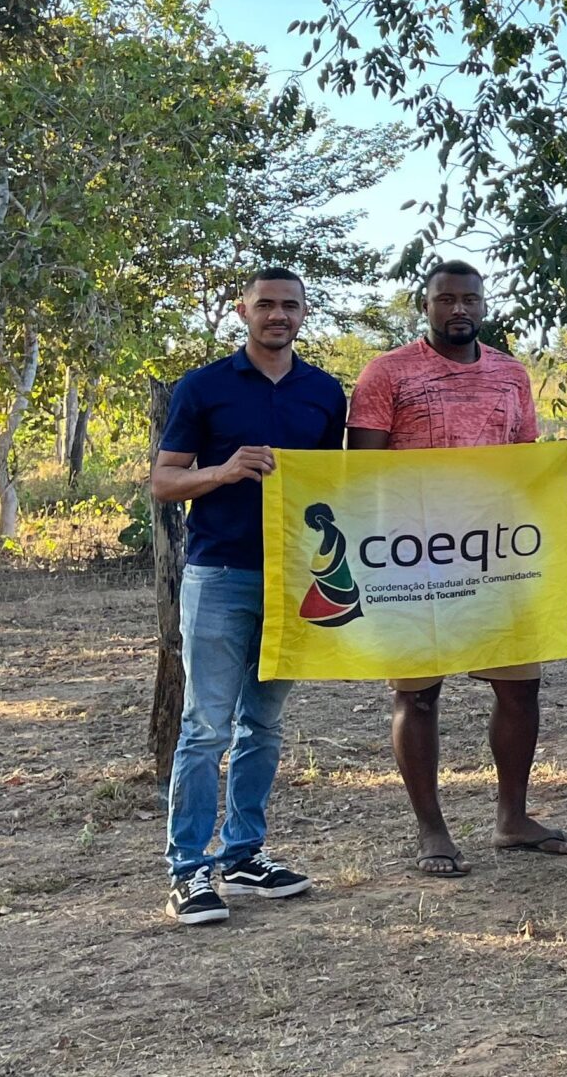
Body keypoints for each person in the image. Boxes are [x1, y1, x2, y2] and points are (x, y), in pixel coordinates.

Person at [349, 260, 567, 877]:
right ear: (425, 306)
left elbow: (524, 464)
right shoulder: (386, 373)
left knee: (520, 687)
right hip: (413, 556)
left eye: (468, 299)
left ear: (483, 304)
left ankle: (513, 817)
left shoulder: (510, 374)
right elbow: (361, 473)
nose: (458, 310)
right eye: (445, 300)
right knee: (417, 694)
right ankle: (432, 829)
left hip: (494, 554)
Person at [150, 268, 345, 924]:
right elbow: (163, 482)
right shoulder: (202, 386)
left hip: (294, 579)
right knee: (204, 726)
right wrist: (226, 469)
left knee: (261, 723)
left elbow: (332, 486)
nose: (278, 315)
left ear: (305, 311)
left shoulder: (324, 392)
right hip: (221, 575)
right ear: (244, 311)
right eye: (266, 304)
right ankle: (187, 871)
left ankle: (244, 854)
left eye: (290, 304)